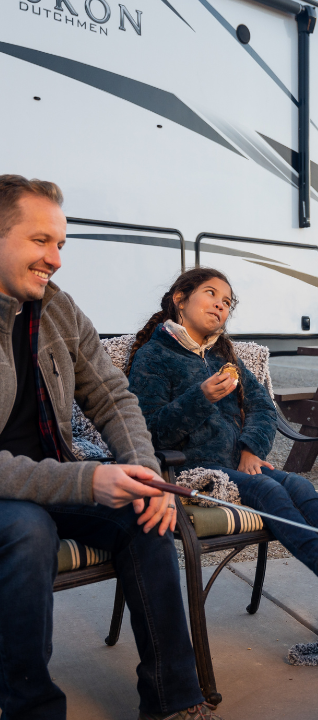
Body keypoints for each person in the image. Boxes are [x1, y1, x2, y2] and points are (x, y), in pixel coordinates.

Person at [0, 175, 220, 720]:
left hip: (53, 477)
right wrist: (85, 479)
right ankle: (28, 710)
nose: (55, 258)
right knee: (27, 531)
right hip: (11, 497)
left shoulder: (58, 309)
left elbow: (113, 397)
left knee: (146, 519)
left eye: (60, 244)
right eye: (40, 241)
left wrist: (145, 474)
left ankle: (175, 702)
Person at [126, 268, 318, 588]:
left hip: (235, 465)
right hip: (188, 472)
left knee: (298, 486)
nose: (220, 305)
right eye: (211, 294)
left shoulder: (223, 355)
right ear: (180, 299)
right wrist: (201, 397)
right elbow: (148, 430)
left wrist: (249, 449)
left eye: (227, 302)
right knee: (269, 489)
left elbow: (264, 408)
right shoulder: (154, 355)